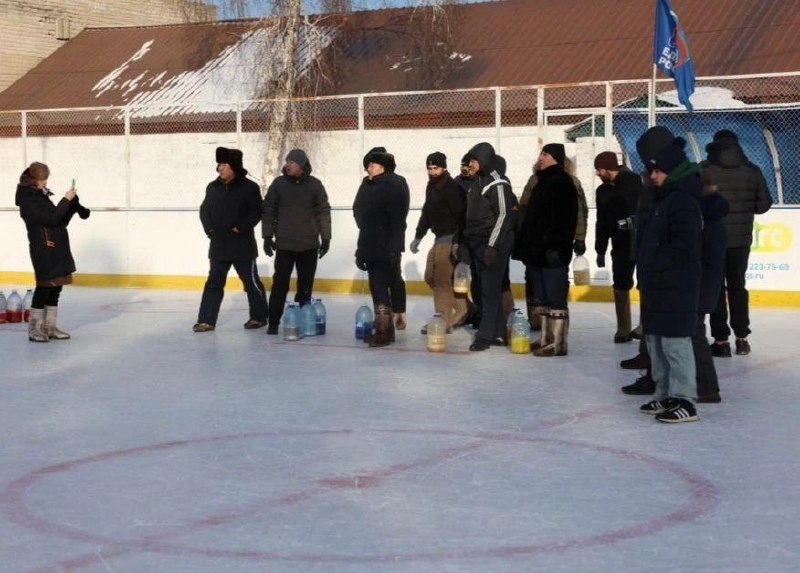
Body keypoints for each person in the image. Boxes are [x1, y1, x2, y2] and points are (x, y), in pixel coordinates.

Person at [638, 137, 703, 423]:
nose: (652, 176)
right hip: (659, 284)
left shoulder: (683, 202)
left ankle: (685, 399)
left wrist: (655, 263)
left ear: (673, 171)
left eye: (658, 171)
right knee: (659, 342)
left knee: (676, 344)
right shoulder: (663, 200)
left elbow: (683, 247)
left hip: (676, 284)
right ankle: (665, 394)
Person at [702, 130, 773, 357]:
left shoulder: (706, 170)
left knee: (716, 289)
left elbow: (697, 202)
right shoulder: (752, 171)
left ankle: (721, 341)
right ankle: (742, 338)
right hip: (741, 240)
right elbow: (763, 206)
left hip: (713, 238)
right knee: (737, 287)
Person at [194, 147, 268, 333]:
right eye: (219, 165)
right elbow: (204, 211)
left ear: (234, 166)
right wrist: (209, 229)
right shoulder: (212, 187)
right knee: (213, 283)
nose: (220, 168)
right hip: (218, 244)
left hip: (241, 245)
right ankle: (206, 320)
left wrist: (240, 227)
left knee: (251, 283)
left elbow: (256, 212)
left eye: (224, 165)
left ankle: (259, 317)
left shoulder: (249, 188)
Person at [15, 162, 90, 342]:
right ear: (33, 180)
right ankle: (35, 329)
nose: (45, 183)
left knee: (56, 286)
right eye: (42, 180)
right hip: (43, 248)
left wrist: (71, 206)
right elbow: (50, 218)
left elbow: (58, 221)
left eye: (46, 179)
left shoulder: (40, 195)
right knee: (44, 287)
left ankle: (49, 327)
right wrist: (65, 200)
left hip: (57, 245)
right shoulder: (28, 200)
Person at [516, 143, 578, 357]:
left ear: (555, 158)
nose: (540, 158)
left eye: (544, 154)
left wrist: (556, 246)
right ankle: (545, 338)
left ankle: (558, 343)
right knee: (541, 298)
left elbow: (565, 220)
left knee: (555, 298)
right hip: (537, 252)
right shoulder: (543, 182)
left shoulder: (562, 183)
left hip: (552, 252)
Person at [261, 149, 331, 335]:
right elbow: (268, 210)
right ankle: (274, 322)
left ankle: (302, 320)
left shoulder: (315, 185)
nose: (287, 164)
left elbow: (323, 212)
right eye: (287, 161)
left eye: (292, 162)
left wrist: (326, 238)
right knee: (279, 284)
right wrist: (267, 237)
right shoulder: (279, 184)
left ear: (302, 165)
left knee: (305, 286)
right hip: (284, 245)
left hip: (308, 245)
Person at [460, 142, 518, 351]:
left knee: (490, 290)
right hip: (477, 242)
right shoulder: (477, 182)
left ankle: (484, 336)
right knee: (480, 287)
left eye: (474, 160)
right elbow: (471, 217)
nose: (471, 164)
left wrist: (492, 247)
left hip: (494, 243)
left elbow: (503, 215)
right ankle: (499, 330)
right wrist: (467, 246)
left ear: (483, 159)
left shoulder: (497, 182)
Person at [353, 150, 407, 347]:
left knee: (381, 286)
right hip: (370, 243)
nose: (368, 168)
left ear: (382, 167)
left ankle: (383, 331)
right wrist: (361, 249)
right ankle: (386, 330)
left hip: (387, 245)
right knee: (376, 286)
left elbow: (397, 219)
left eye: (372, 165)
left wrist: (394, 247)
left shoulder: (395, 184)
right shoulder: (368, 185)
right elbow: (360, 213)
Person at [409, 152, 467, 332]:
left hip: (450, 239)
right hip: (438, 239)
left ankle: (443, 321)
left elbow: (461, 217)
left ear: (444, 168)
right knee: (430, 277)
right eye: (429, 168)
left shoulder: (451, 187)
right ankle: (462, 309)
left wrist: (458, 242)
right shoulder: (432, 186)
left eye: (436, 168)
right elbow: (427, 212)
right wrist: (418, 236)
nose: (432, 172)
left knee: (442, 281)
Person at [593, 151, 643, 343]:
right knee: (621, 282)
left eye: (599, 169)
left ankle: (644, 325)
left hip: (639, 239)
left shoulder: (634, 182)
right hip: (620, 243)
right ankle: (623, 328)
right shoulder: (602, 191)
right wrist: (600, 248)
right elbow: (602, 221)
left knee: (644, 282)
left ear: (609, 168)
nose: (597, 173)